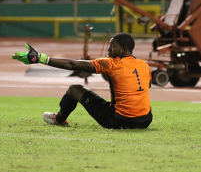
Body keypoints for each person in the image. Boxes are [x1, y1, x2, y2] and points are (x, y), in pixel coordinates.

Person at [12, 33, 153, 129]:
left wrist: (41, 59)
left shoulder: (112, 63)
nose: (109, 50)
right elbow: (145, 86)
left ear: (122, 48)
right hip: (146, 120)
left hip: (119, 120)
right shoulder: (144, 65)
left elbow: (73, 65)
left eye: (112, 46)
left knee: (74, 89)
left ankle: (59, 119)